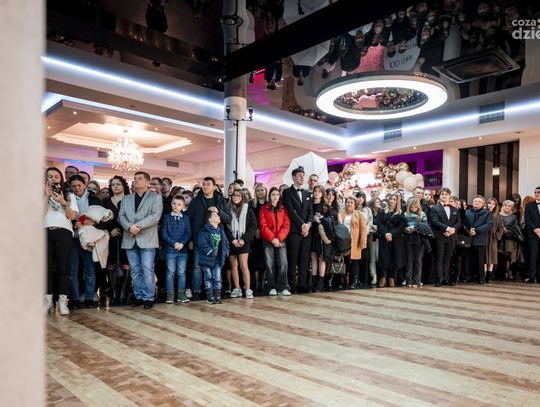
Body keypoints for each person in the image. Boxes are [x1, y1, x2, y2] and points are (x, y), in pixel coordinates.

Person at [118, 171, 163, 309]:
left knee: (147, 268)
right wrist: (129, 227)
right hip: (129, 237)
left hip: (147, 238)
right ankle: (139, 296)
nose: (136, 180)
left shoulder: (155, 197)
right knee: (135, 269)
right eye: (134, 178)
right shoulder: (126, 198)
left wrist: (137, 226)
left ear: (147, 182)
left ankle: (149, 297)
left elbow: (155, 216)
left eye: (139, 178)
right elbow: (121, 216)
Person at [185, 176, 232, 300]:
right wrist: (191, 239)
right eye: (203, 184)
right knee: (197, 267)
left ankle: (215, 292)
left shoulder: (220, 200)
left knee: (216, 266)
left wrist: (219, 211)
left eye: (208, 184)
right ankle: (197, 291)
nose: (205, 186)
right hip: (199, 239)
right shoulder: (196, 201)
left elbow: (228, 218)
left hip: (216, 239)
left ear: (214, 187)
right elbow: (189, 220)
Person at [44, 167, 78, 315]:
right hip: (44, 231)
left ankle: (63, 302)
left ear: (61, 178)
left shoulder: (69, 195)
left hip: (64, 232)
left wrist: (63, 202)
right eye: (50, 176)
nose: (53, 179)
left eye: (56, 176)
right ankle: (48, 302)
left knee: (63, 268)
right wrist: (46, 196)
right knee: (46, 268)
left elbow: (72, 216)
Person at [69, 174, 105, 308]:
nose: (77, 188)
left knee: (90, 269)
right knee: (72, 270)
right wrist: (75, 223)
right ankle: (74, 299)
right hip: (73, 238)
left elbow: (101, 217)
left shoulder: (94, 199)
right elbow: (66, 216)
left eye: (79, 185)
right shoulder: (68, 198)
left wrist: (90, 221)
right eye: (73, 186)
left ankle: (89, 297)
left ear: (84, 185)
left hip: (89, 238)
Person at [282, 166, 313, 293]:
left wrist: (308, 224)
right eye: (299, 175)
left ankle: (302, 284)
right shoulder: (287, 192)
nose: (302, 177)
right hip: (294, 231)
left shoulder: (307, 194)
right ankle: (292, 285)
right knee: (293, 259)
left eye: (303, 175)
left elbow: (311, 211)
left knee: (304, 259)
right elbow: (290, 211)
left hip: (306, 232)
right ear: (293, 177)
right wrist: (302, 224)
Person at [102, 175, 130, 305]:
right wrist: (110, 231)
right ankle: (114, 292)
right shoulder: (106, 201)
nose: (115, 186)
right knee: (111, 262)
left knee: (126, 262)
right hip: (111, 237)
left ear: (124, 186)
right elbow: (101, 219)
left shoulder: (129, 199)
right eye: (113, 184)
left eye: (118, 184)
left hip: (127, 235)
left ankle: (123, 291)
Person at [226, 189, 257, 299]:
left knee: (244, 265)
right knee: (233, 266)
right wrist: (232, 240)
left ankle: (248, 289)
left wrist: (244, 239)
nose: (235, 197)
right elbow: (225, 227)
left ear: (243, 197)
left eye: (238, 196)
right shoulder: (228, 209)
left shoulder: (248, 210)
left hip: (244, 241)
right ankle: (237, 288)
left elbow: (253, 226)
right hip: (232, 241)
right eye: (234, 196)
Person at [259, 187, 291, 296]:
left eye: (277, 194)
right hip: (268, 240)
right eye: (273, 194)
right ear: (269, 196)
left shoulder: (283, 209)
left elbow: (286, 225)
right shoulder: (264, 209)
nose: (275, 197)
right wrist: (273, 238)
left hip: (281, 239)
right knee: (269, 263)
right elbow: (263, 226)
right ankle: (271, 287)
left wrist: (279, 238)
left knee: (283, 263)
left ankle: (283, 287)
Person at [161, 195, 192, 303]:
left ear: (183, 206)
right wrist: (174, 243)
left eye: (179, 204)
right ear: (171, 204)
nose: (176, 206)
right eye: (174, 203)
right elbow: (164, 233)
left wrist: (182, 243)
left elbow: (188, 233)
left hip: (183, 250)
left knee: (181, 272)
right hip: (170, 249)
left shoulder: (186, 218)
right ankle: (170, 294)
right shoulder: (166, 217)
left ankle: (181, 294)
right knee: (170, 272)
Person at [429, 187, 461, 286]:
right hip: (440, 236)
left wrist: (452, 230)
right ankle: (438, 279)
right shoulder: (434, 208)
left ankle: (446, 279)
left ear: (449, 196)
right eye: (442, 194)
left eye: (446, 194)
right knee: (439, 258)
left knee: (448, 258)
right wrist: (447, 229)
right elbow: (434, 221)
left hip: (451, 237)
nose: (444, 196)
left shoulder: (455, 209)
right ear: (440, 196)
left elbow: (459, 222)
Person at [197, 210, 230, 304]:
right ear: (209, 220)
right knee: (208, 277)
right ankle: (210, 296)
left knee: (217, 277)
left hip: (217, 259)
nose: (218, 217)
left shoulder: (220, 231)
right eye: (215, 216)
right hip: (207, 259)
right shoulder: (204, 231)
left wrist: (226, 251)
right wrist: (210, 252)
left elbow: (226, 242)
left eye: (218, 216)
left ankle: (217, 295)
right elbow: (202, 243)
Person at [376, 193, 406, 287]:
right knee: (384, 258)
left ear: (397, 202)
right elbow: (379, 224)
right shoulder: (382, 211)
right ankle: (382, 277)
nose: (392, 201)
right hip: (384, 238)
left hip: (395, 238)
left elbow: (401, 227)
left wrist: (391, 234)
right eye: (391, 199)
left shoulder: (400, 213)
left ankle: (391, 278)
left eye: (394, 199)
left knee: (393, 258)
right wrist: (386, 233)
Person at [464, 195, 494, 284]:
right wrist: (469, 230)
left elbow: (489, 224)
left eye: (479, 201)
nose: (476, 202)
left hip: (480, 239)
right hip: (468, 239)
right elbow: (464, 223)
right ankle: (468, 277)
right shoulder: (467, 212)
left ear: (483, 204)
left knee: (480, 260)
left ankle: (481, 278)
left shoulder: (487, 213)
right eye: (475, 201)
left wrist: (476, 230)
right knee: (468, 259)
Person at [340, 196, 368, 289]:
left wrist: (363, 242)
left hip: (355, 241)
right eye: (348, 202)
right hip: (343, 241)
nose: (349, 204)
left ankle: (354, 281)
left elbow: (363, 229)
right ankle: (342, 281)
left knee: (354, 262)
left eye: (351, 203)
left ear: (355, 205)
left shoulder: (359, 214)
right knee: (344, 261)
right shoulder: (341, 213)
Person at [403, 198, 429, 288]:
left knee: (418, 260)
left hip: (419, 239)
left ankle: (417, 281)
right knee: (409, 260)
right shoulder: (405, 214)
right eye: (412, 207)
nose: (414, 209)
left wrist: (416, 229)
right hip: (408, 238)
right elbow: (402, 226)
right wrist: (406, 229)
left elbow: (426, 227)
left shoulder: (422, 214)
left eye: (416, 207)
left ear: (419, 207)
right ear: (409, 206)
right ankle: (408, 281)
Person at [249, 183, 268, 293]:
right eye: (258, 190)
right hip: (254, 236)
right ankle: (256, 283)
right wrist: (256, 230)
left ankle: (263, 282)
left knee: (264, 259)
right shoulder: (252, 204)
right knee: (255, 260)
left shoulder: (269, 204)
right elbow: (251, 220)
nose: (260, 192)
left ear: (266, 191)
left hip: (266, 234)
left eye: (262, 190)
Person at [310, 186, 326, 291]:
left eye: (319, 191)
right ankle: (313, 281)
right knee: (313, 256)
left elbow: (329, 220)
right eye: (315, 191)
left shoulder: (324, 206)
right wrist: (313, 219)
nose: (317, 193)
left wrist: (321, 219)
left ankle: (321, 282)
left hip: (321, 233)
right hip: (311, 232)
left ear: (322, 193)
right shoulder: (309, 203)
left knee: (321, 257)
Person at [355, 191, 373, 287]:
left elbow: (370, 221)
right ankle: (356, 279)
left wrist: (366, 230)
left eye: (362, 197)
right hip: (354, 236)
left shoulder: (367, 209)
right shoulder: (353, 207)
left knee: (365, 258)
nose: (360, 199)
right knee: (356, 259)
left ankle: (365, 279)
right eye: (358, 197)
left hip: (365, 235)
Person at [499, 200, 519, 280]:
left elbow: (516, 228)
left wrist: (507, 231)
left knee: (510, 257)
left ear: (512, 208)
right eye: (505, 205)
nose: (507, 207)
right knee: (500, 256)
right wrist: (501, 230)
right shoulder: (499, 215)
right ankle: (500, 274)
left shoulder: (514, 217)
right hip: (500, 239)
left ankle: (509, 273)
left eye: (509, 206)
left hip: (510, 239)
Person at [485, 197, 504, 283]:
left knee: (492, 257)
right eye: (489, 203)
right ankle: (484, 274)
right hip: (484, 237)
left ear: (495, 205)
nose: (491, 205)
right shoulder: (483, 213)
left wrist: (496, 236)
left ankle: (489, 276)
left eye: (493, 204)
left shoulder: (498, 216)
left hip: (493, 239)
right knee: (485, 257)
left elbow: (501, 229)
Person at [524, 187, 540, 283]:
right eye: (535, 192)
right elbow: (527, 219)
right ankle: (532, 277)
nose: (536, 194)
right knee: (532, 256)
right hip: (532, 234)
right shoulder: (529, 205)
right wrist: (535, 229)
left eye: (538, 192)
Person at [367, 198, 382, 285]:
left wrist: (378, 228)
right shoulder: (370, 212)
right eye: (377, 202)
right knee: (372, 258)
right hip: (371, 238)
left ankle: (381, 277)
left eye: (379, 202)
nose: (379, 203)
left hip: (380, 238)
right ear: (373, 203)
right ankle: (374, 276)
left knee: (379, 258)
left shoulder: (382, 213)